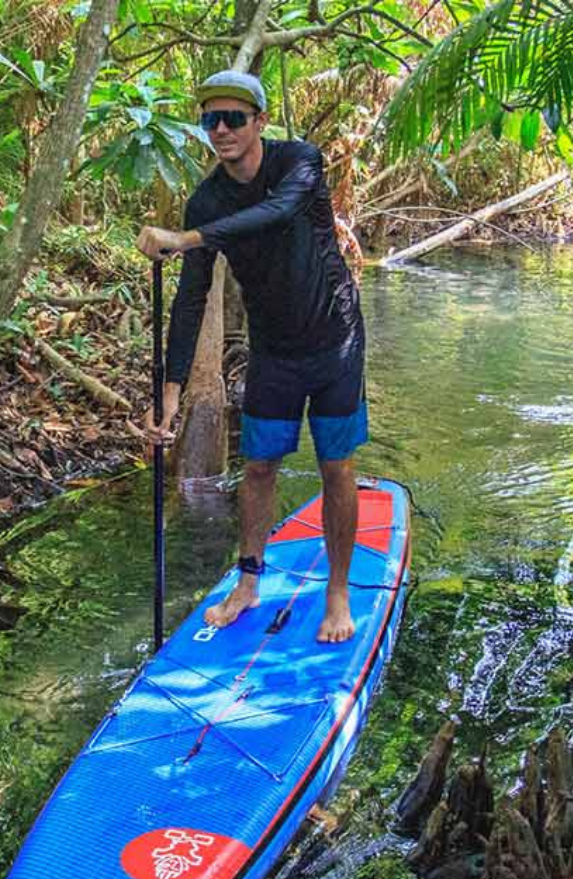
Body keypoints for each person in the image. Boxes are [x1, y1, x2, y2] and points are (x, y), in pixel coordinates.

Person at [135, 70, 367, 644]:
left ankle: (337, 592)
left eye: (234, 118)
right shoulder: (207, 199)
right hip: (273, 350)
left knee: (335, 467)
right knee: (260, 466)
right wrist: (168, 395)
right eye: (210, 119)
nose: (221, 130)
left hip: (334, 340)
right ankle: (248, 580)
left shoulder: (300, 163)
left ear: (260, 122)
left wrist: (188, 238)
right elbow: (190, 301)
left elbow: (279, 213)